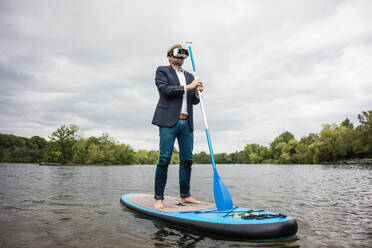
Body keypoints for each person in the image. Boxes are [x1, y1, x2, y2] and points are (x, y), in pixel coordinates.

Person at [152, 44, 203, 209]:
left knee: (187, 160)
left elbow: (194, 101)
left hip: (187, 122)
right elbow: (165, 90)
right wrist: (189, 87)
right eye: (177, 55)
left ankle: (185, 195)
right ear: (169, 56)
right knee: (165, 159)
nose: (180, 58)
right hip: (168, 121)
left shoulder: (189, 76)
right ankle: (158, 198)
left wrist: (198, 91)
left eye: (183, 56)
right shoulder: (162, 71)